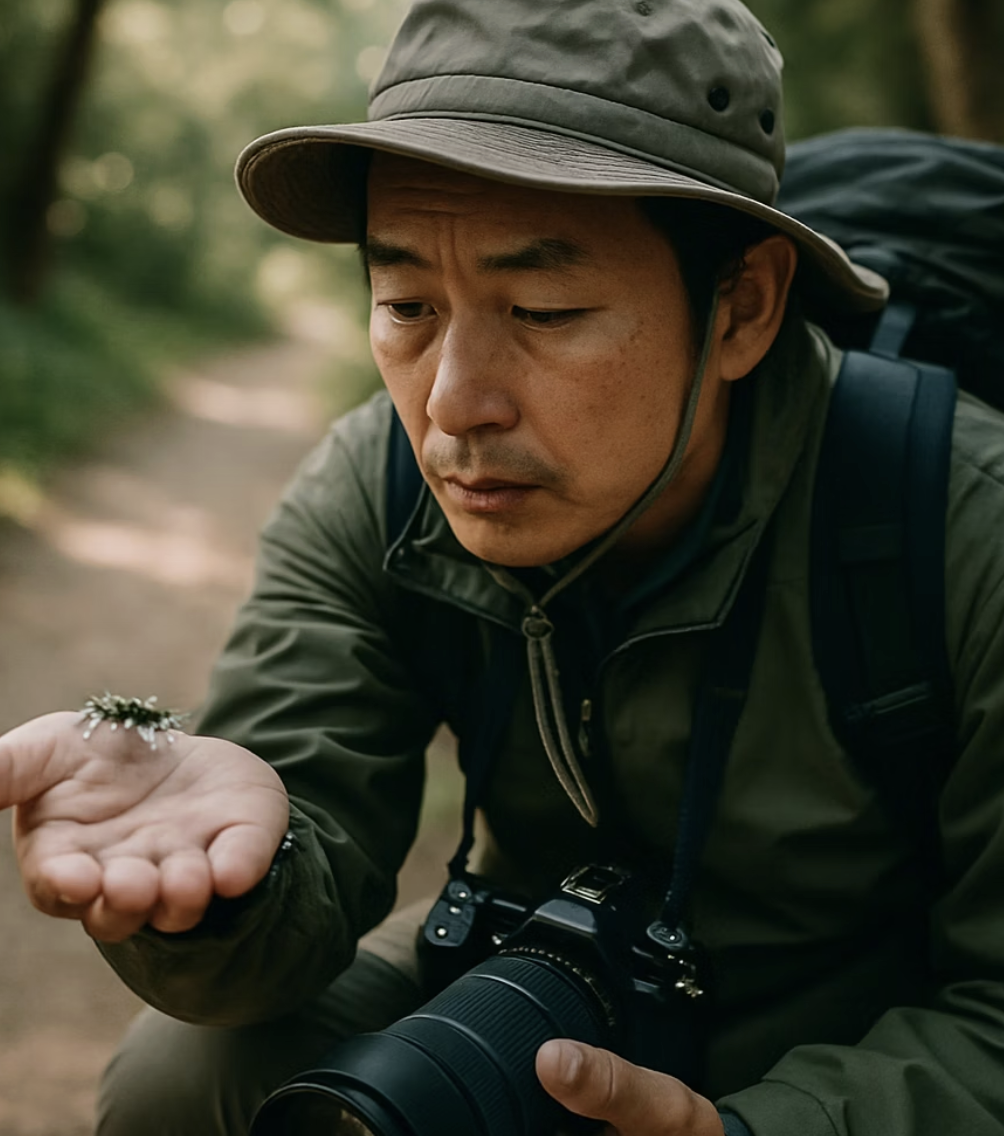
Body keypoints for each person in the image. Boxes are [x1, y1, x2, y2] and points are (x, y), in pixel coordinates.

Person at [2, 0, 1003, 1133]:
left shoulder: (959, 526)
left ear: (742, 306)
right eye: (406, 305)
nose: (451, 403)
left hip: (861, 1033)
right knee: (184, 1080)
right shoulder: (379, 487)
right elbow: (291, 864)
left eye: (542, 309)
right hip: (542, 979)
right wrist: (221, 889)